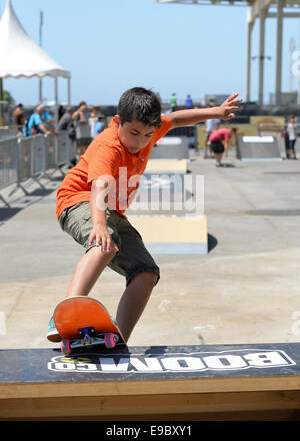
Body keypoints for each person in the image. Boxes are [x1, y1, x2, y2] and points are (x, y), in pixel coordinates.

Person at [47, 87, 242, 343]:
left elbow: (177, 118)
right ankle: (65, 315)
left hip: (112, 211)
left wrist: (215, 112)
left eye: (148, 135)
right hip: (78, 200)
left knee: (146, 272)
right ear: (118, 122)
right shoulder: (109, 146)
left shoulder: (150, 130)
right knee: (105, 244)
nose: (140, 141)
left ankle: (118, 340)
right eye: (134, 133)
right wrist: (99, 224)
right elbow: (99, 186)